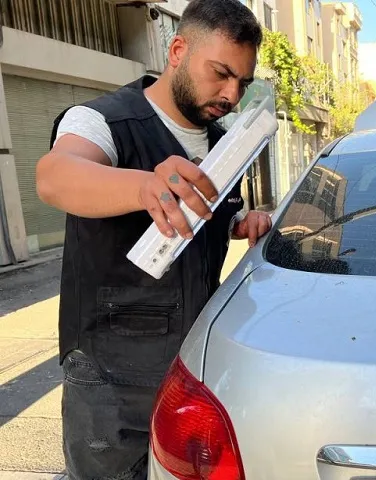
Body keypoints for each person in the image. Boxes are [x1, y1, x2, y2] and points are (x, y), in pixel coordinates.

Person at [34, 0, 270, 478]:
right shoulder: (102, 121)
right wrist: (143, 187)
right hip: (110, 380)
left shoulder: (224, 143)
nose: (232, 94)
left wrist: (241, 221)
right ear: (177, 51)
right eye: (221, 73)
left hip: (192, 368)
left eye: (243, 83)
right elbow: (55, 176)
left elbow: (209, 216)